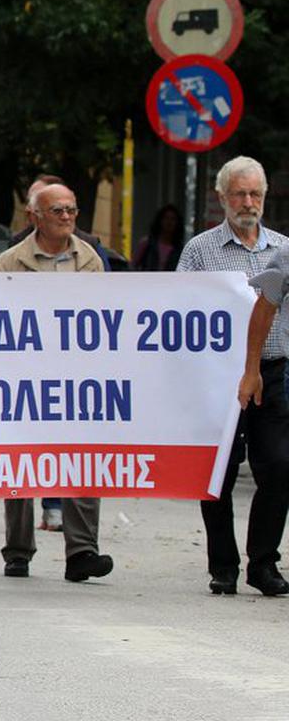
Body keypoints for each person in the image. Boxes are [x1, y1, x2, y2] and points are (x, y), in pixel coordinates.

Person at [0, 183, 115, 583]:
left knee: (83, 459)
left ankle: (82, 550)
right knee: (20, 463)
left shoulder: (90, 261)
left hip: (76, 379)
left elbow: (101, 320)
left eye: (72, 211)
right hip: (24, 379)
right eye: (57, 211)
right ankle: (18, 550)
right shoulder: (10, 263)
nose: (66, 217)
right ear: (35, 217)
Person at [197, 156, 289, 597]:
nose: (248, 202)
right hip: (219, 375)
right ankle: (223, 565)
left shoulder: (283, 248)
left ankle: (264, 563)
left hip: (274, 372)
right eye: (239, 193)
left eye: (255, 194)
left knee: (279, 465)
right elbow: (182, 308)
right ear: (221, 197)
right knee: (219, 470)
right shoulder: (200, 250)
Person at [133, 205, 184, 271]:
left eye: (173, 219)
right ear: (160, 220)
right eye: (166, 218)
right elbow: (133, 265)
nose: (169, 222)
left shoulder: (179, 249)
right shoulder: (147, 243)